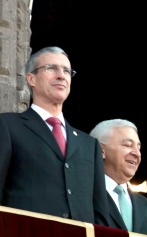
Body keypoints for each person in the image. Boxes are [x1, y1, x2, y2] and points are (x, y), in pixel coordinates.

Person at [0, 46, 109, 225]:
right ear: (31, 78)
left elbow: (100, 215)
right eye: (51, 68)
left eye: (66, 70)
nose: (61, 75)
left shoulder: (90, 145)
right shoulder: (7, 126)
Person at [89, 119, 147, 236]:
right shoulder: (83, 196)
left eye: (138, 148)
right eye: (128, 145)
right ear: (101, 150)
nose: (137, 153)